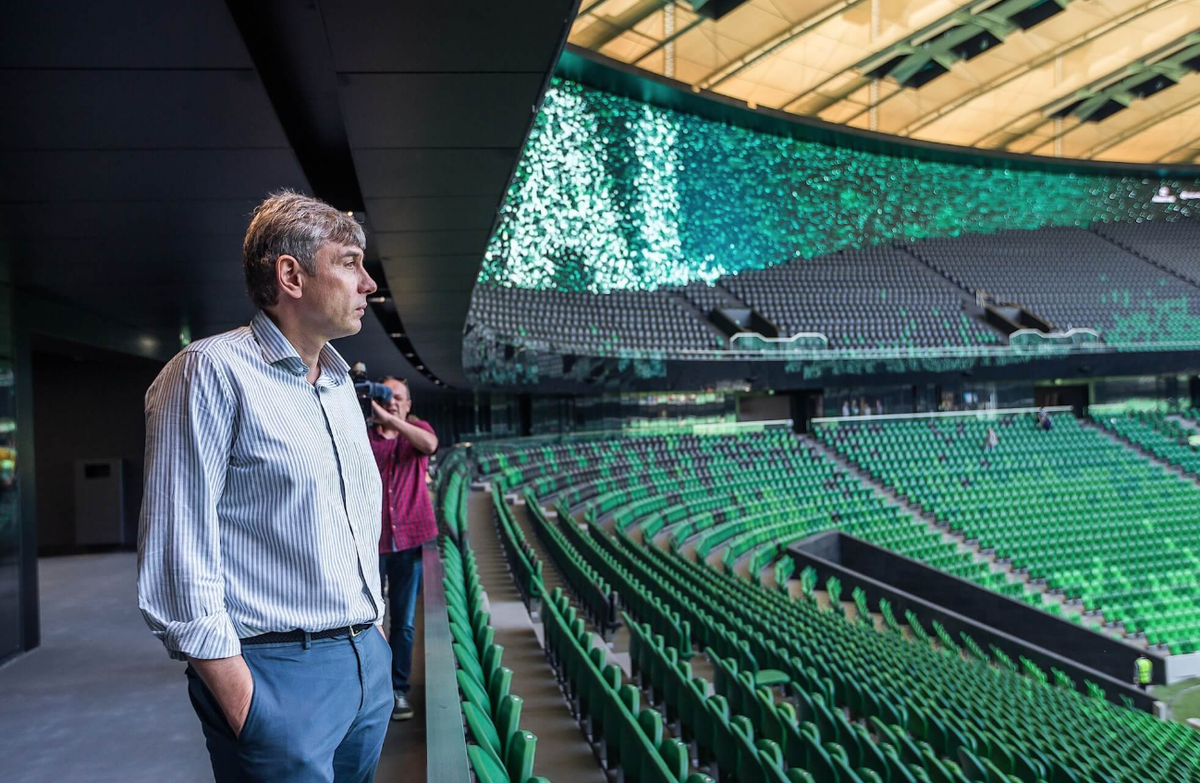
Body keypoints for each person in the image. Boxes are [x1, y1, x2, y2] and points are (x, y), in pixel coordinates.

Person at [137, 191, 392, 782]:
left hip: (365, 664)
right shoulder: (210, 370)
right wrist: (245, 704)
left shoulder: (338, 387)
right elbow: (177, 550)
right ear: (291, 276)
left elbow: (354, 526)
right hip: (274, 674)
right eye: (349, 263)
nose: (369, 283)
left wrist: (374, 635)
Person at [368, 377, 438, 721]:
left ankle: (398, 689)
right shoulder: (363, 435)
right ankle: (372, 691)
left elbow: (429, 444)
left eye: (398, 397)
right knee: (368, 621)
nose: (392, 401)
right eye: (385, 395)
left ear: (408, 404)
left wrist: (392, 421)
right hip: (371, 542)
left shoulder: (418, 430)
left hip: (409, 542)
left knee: (404, 621)